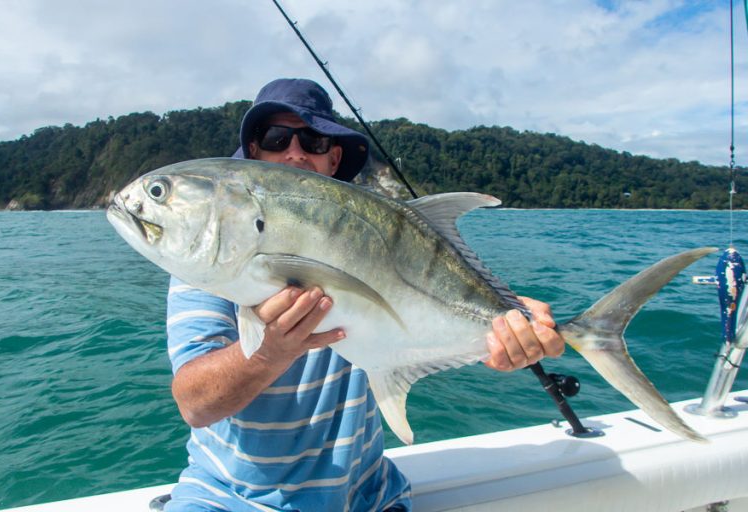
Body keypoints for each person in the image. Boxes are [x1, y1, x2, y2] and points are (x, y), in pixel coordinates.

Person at [163, 78, 564, 511]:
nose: (295, 153)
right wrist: (269, 353)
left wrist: (513, 332)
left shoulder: (374, 240)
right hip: (230, 500)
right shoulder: (212, 263)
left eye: (313, 140)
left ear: (334, 158)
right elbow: (195, 404)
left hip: (370, 498)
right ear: (255, 154)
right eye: (277, 138)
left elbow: (437, 299)